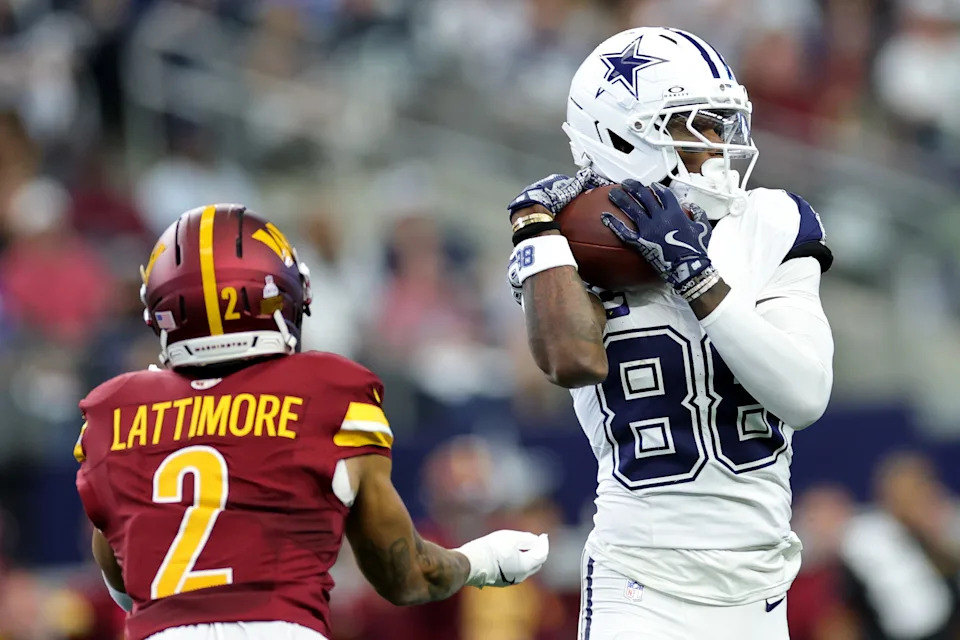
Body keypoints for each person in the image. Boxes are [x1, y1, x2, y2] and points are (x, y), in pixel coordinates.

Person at [73, 204, 549, 640]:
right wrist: (484, 561)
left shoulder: (113, 410)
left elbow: (122, 579)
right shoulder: (326, 390)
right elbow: (406, 577)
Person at [505, 27, 834, 640]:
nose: (716, 146)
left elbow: (804, 394)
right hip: (640, 575)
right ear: (619, 134)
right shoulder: (568, 242)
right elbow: (570, 360)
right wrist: (537, 235)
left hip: (760, 580)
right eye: (691, 126)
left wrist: (694, 273)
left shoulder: (769, 219)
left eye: (719, 125)